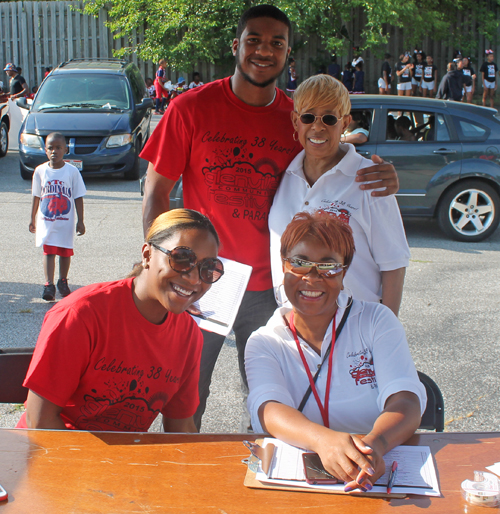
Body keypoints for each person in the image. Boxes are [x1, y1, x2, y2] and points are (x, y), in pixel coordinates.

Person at [140, 5, 399, 431]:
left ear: (288, 53)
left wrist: (384, 171)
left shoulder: (294, 117)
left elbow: (334, 146)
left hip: (272, 288)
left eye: (276, 43)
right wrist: (162, 263)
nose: (264, 50)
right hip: (204, 281)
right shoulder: (191, 108)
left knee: (277, 400)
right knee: (185, 396)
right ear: (236, 45)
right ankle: (183, 481)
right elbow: (156, 191)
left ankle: (268, 481)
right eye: (254, 40)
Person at [246, 211, 426, 492]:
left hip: (372, 470)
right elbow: (269, 409)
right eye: (300, 263)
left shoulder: (377, 320)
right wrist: (323, 441)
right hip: (299, 484)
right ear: (283, 266)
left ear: (345, 272)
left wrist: (373, 446)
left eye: (328, 266)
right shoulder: (265, 341)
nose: (313, 277)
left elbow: (406, 401)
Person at [18, 208, 224, 432]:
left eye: (208, 268)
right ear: (147, 255)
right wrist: (103, 466)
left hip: (122, 461)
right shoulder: (81, 314)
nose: (194, 278)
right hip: (53, 456)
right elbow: (39, 423)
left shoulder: (188, 335)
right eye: (182, 258)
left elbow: (181, 426)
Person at [269, 74, 409, 316]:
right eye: (308, 117)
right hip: (293, 326)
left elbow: (394, 264)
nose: (318, 126)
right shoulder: (285, 174)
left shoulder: (370, 179)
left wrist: (386, 332)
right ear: (295, 121)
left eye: (330, 118)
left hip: (355, 327)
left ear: (345, 123)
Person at [29, 132, 86, 301]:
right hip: (46, 220)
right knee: (49, 252)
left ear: (66, 149)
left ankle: (62, 281)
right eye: (50, 148)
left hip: (65, 221)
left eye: (59, 147)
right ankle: (49, 285)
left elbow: (78, 196)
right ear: (45, 150)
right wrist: (32, 218)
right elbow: (36, 196)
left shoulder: (72, 172)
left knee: (65, 252)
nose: (54, 151)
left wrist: (81, 221)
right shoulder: (40, 171)